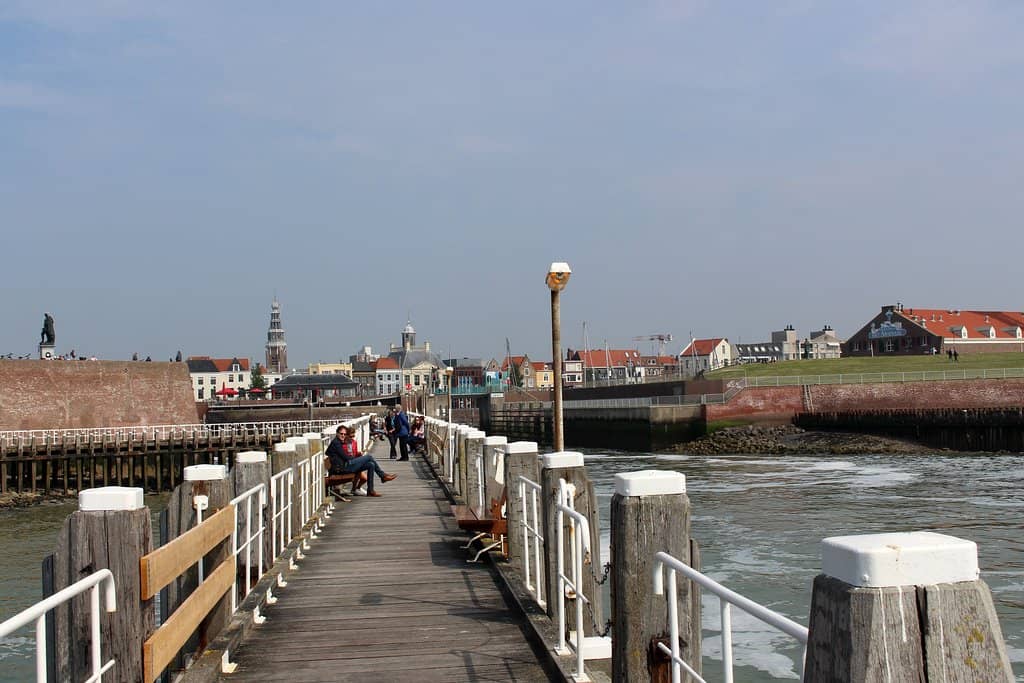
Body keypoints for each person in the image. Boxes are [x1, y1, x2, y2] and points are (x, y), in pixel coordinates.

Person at [325, 425, 396, 497]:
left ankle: (370, 491)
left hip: (344, 466)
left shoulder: (337, 442)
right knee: (369, 457)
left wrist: (356, 459)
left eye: (344, 434)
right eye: (341, 434)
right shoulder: (336, 443)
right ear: (337, 433)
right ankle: (382, 476)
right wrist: (357, 459)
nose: (343, 436)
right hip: (342, 468)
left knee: (371, 464)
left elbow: (328, 452)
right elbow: (346, 457)